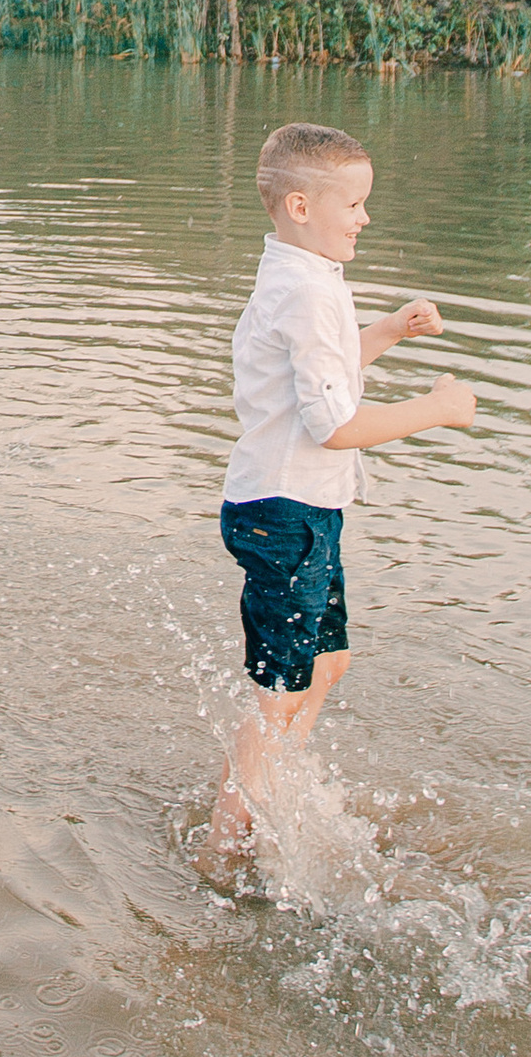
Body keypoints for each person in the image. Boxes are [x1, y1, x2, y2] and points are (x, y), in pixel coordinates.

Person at [197, 118, 473, 873]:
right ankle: (223, 849)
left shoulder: (302, 278)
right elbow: (336, 425)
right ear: (300, 208)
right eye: (353, 204)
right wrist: (436, 408)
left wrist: (385, 331)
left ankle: (266, 788)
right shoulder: (307, 293)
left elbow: (319, 376)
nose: (365, 217)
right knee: (282, 692)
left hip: (299, 511)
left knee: (328, 665)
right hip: (284, 515)